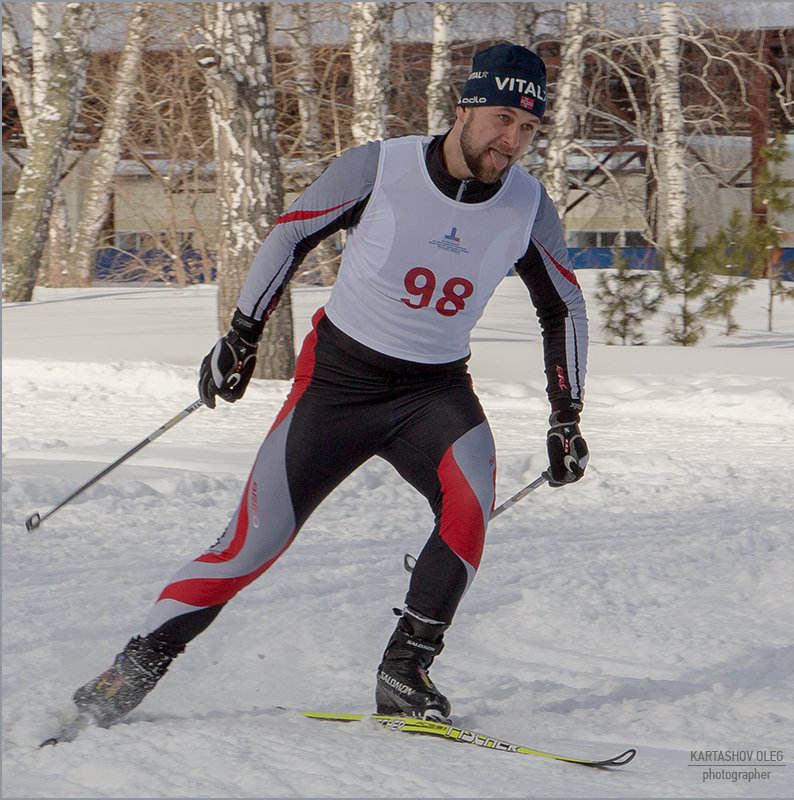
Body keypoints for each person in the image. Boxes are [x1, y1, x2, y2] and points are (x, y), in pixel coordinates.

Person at [71, 43, 589, 727]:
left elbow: (565, 305)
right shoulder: (383, 165)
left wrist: (566, 416)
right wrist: (242, 336)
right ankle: (130, 671)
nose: (512, 141)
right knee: (252, 543)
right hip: (338, 382)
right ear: (463, 108)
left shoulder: (527, 204)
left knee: (469, 507)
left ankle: (406, 673)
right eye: (500, 119)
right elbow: (290, 236)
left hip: (433, 392)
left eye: (527, 129)